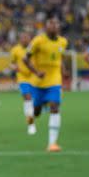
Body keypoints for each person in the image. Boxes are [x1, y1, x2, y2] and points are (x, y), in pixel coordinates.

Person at [24, 17, 68, 152]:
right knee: (36, 112)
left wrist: (64, 70)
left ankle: (52, 143)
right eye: (51, 23)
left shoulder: (63, 42)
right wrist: (36, 72)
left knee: (55, 107)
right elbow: (25, 59)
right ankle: (34, 114)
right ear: (46, 26)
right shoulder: (38, 41)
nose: (54, 26)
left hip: (54, 81)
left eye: (56, 23)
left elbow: (60, 58)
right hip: (38, 82)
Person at [9, 31, 36, 135]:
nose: (24, 39)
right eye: (22, 37)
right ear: (20, 39)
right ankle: (31, 125)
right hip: (22, 78)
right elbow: (11, 64)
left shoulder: (34, 48)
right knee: (27, 99)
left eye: (26, 37)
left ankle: (34, 112)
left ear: (29, 38)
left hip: (34, 76)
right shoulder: (15, 50)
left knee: (35, 102)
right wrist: (14, 67)